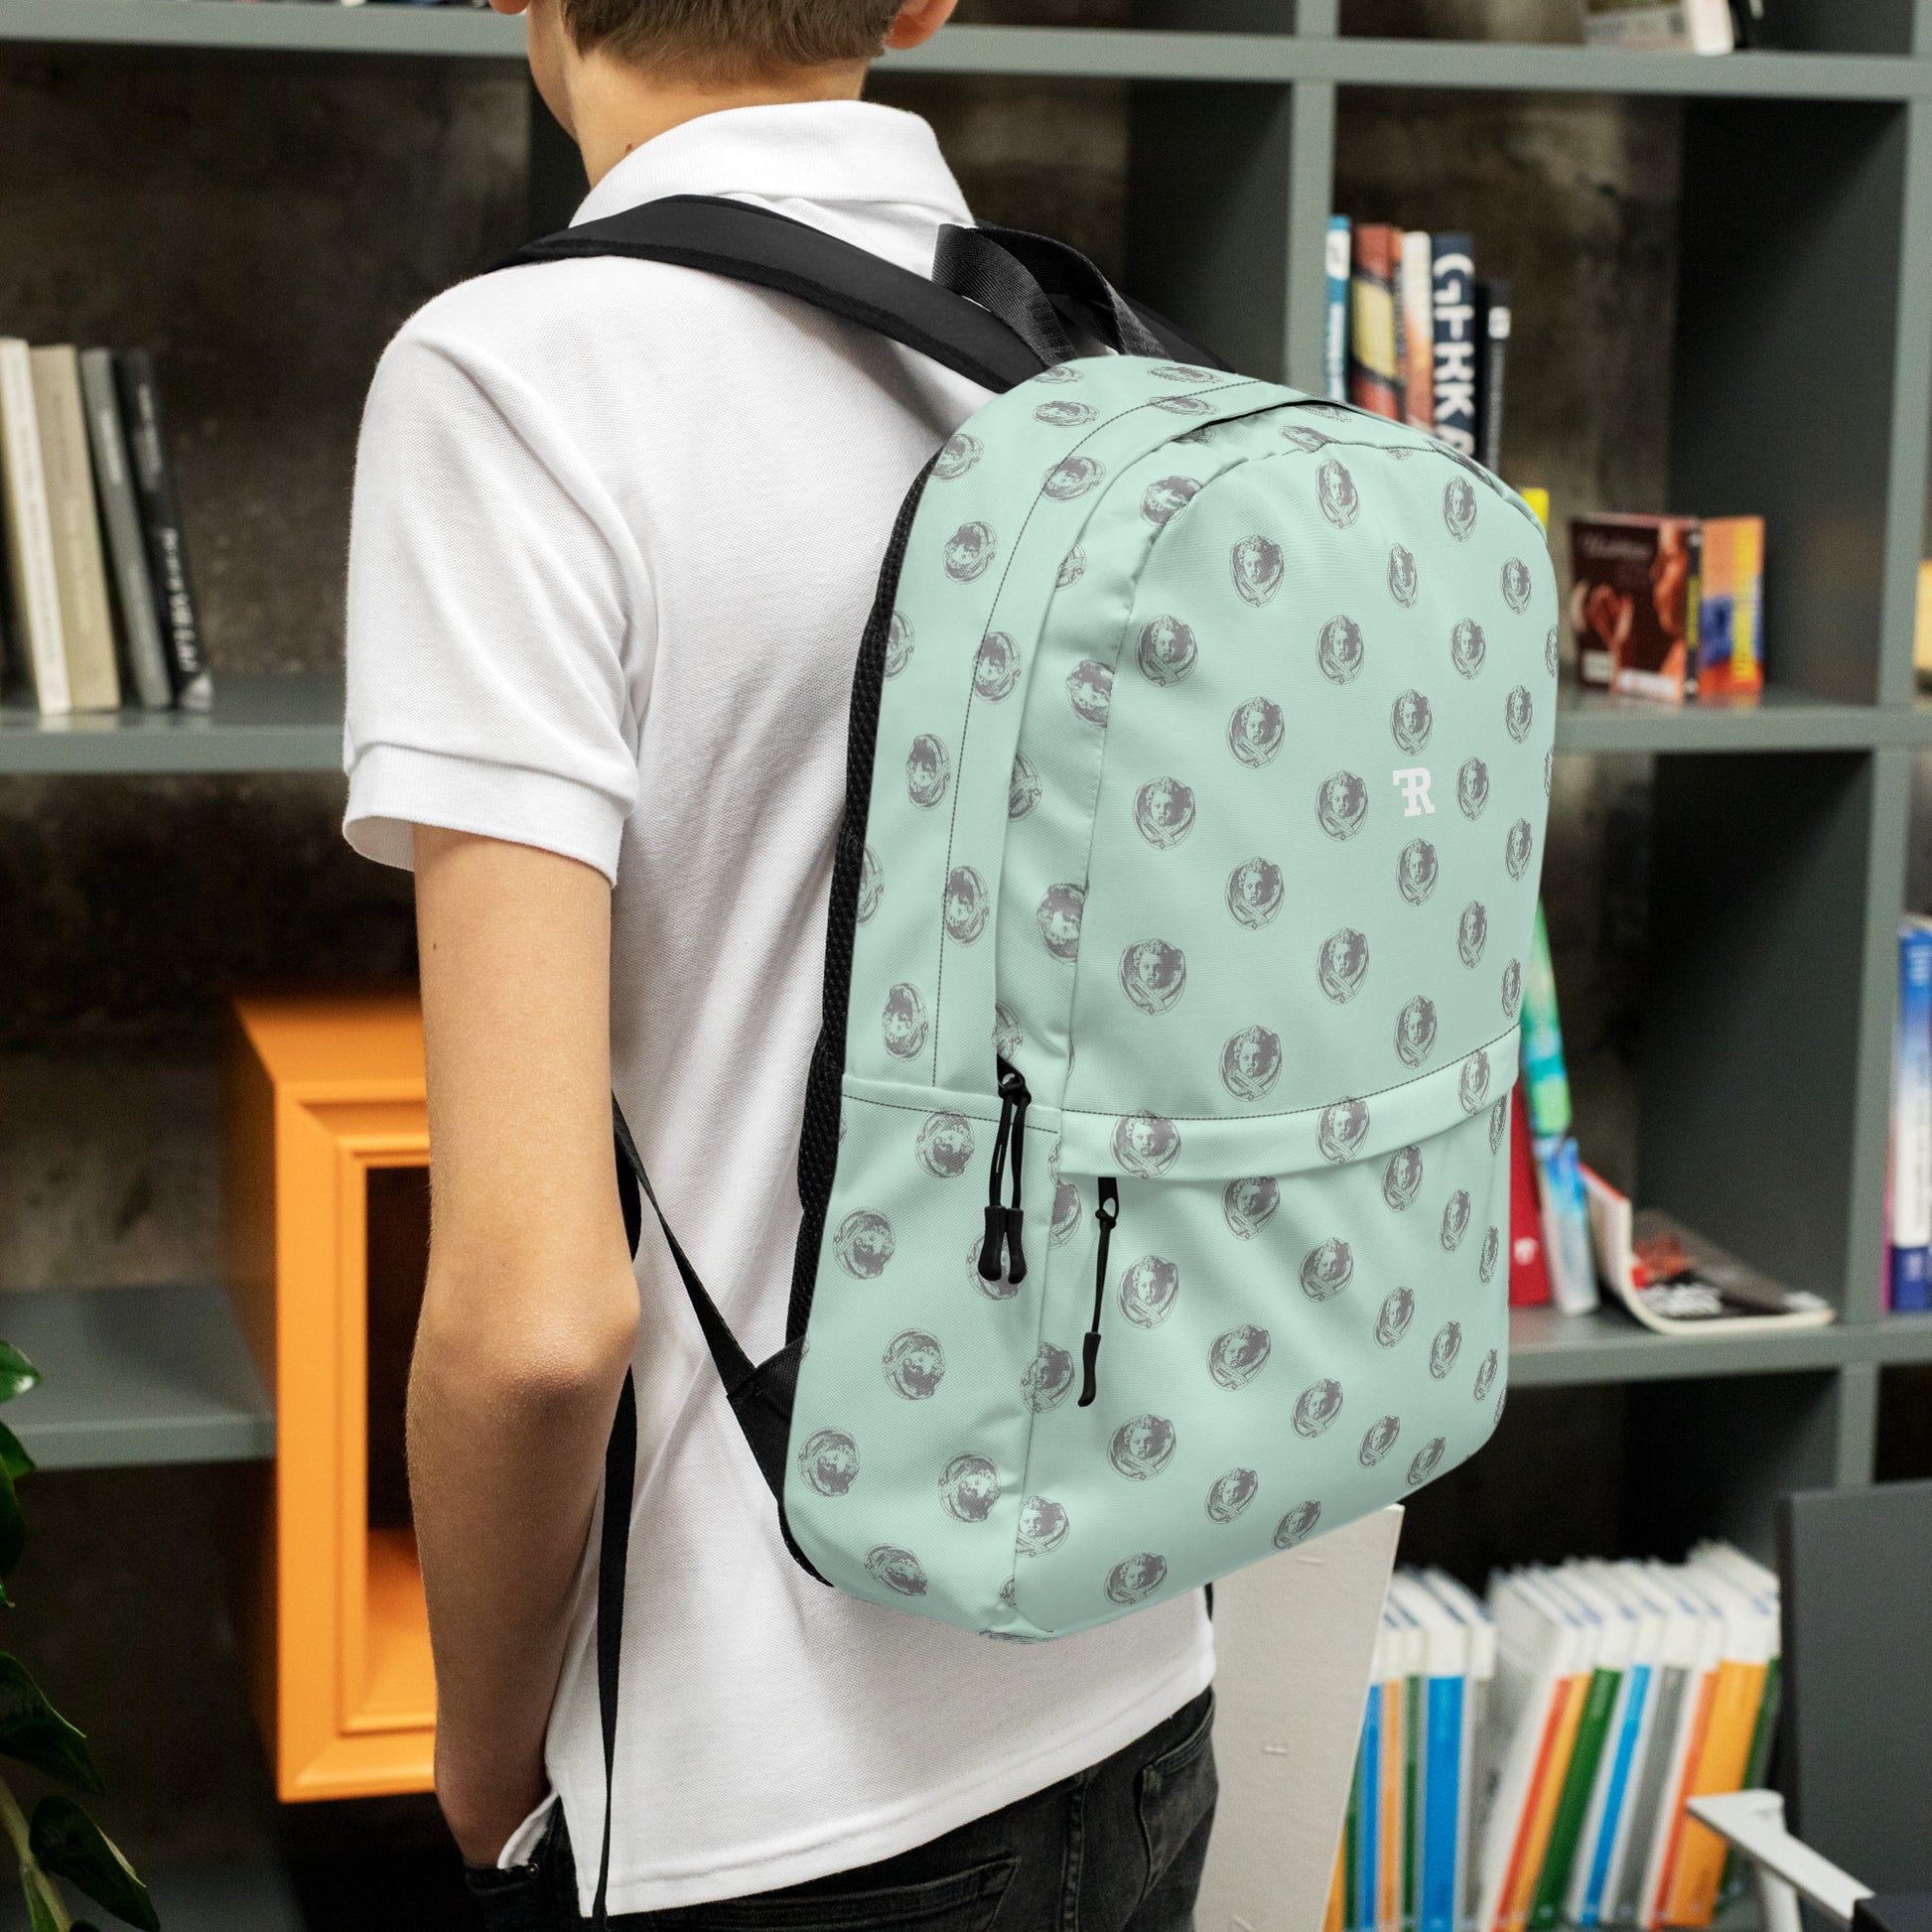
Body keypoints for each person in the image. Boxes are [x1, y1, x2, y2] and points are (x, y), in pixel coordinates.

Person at [340, 0, 1217, 1925]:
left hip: (773, 1793)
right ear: (923, 0)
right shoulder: (1098, 380)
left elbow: (533, 1319)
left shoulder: (515, 382)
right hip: (1139, 1683)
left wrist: (483, 1766)